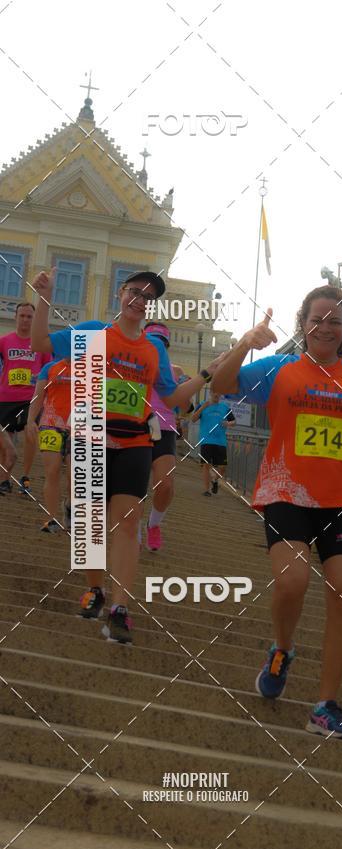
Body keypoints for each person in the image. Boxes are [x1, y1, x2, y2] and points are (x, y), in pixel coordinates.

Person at [212, 285, 342, 741]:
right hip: (286, 491)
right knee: (293, 581)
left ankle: (325, 707)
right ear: (303, 324)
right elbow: (220, 385)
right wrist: (245, 345)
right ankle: (282, 649)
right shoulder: (280, 369)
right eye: (317, 319)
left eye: (335, 321)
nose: (325, 327)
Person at [31, 268, 221, 644]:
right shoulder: (93, 333)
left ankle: (119, 607)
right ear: (121, 293)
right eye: (134, 292)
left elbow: (169, 398)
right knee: (89, 522)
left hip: (135, 440)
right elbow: (39, 342)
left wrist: (205, 375)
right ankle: (95, 589)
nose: (139, 300)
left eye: (147, 297)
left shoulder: (151, 350)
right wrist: (43, 296)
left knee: (129, 520)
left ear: (150, 306)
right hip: (90, 436)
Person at [0, 302, 52, 495]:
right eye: (22, 316)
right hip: (6, 398)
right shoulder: (4, 341)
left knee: (30, 435)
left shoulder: (41, 345)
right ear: (15, 317)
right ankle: (5, 479)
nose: (25, 320)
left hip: (31, 399)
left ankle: (25, 477)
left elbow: (48, 371)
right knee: (6, 440)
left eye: (29, 317)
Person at [141, 323, 179, 552]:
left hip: (161, 425)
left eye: (161, 343)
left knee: (165, 483)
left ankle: (153, 524)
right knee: (135, 483)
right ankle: (132, 526)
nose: (157, 347)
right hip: (138, 422)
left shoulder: (176, 371)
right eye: (153, 341)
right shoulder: (132, 362)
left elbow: (184, 403)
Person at [25, 357, 72, 532]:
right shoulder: (50, 367)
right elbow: (38, 396)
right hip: (50, 424)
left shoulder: (93, 368)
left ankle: (69, 505)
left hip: (80, 427)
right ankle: (51, 519)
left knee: (74, 476)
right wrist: (30, 420)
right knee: (52, 471)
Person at [191, 391, 235, 496]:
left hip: (220, 441)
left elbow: (234, 421)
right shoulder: (202, 404)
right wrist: (202, 408)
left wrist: (228, 423)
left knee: (222, 467)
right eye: (214, 392)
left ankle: (215, 480)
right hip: (206, 440)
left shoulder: (225, 407)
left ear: (220, 395)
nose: (216, 394)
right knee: (206, 465)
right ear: (210, 393)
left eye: (218, 393)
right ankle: (207, 490)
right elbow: (193, 419)